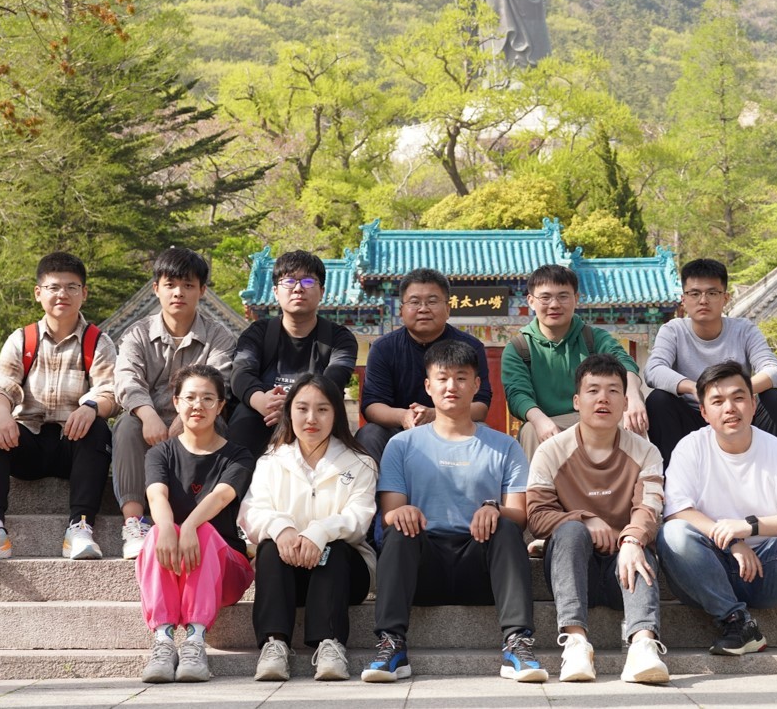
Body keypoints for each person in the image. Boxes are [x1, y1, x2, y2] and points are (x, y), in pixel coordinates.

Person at [362, 340, 547, 684]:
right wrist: (403, 512)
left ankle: (517, 643)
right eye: (443, 378)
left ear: (476, 385)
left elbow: (520, 515)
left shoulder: (505, 446)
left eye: (461, 378)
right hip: (423, 570)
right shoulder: (401, 445)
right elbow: (389, 512)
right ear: (428, 386)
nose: (452, 386)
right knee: (399, 528)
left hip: (481, 569)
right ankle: (391, 644)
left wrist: (494, 509)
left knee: (506, 527)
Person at [657, 361, 777, 685]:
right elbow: (677, 510)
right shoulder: (690, 448)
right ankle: (737, 623)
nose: (730, 408)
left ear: (753, 404)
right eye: (717, 401)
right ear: (704, 412)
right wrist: (732, 541)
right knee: (673, 534)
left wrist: (748, 527)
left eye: (738, 398)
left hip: (766, 571)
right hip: (707, 569)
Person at [0, 252, 116, 562]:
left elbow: (111, 392)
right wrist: (2, 414)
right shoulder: (22, 339)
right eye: (53, 287)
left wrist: (90, 407)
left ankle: (80, 528)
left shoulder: (98, 343)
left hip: (73, 445)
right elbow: (0, 386)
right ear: (38, 293)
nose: (62, 294)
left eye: (72, 287)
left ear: (84, 293)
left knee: (98, 428)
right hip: (26, 443)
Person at [527, 353, 669, 684]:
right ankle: (576, 644)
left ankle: (643, 645)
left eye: (613, 391)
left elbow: (649, 508)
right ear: (577, 401)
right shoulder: (551, 451)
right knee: (571, 531)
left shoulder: (646, 451)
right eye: (593, 390)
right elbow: (537, 515)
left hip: (624, 566)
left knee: (640, 547)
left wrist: (631, 539)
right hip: (574, 568)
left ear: (625, 402)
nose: (603, 398)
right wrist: (585, 519)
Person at [240, 373, 377, 682]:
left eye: (322, 409)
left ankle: (331, 645)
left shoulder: (360, 462)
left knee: (336, 548)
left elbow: (359, 518)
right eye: (302, 408)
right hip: (286, 574)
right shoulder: (271, 461)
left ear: (336, 414)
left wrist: (320, 532)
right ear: (289, 412)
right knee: (269, 547)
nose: (311, 418)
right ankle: (274, 645)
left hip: (344, 575)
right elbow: (253, 512)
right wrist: (283, 529)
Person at [113, 248, 236, 559]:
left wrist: (183, 420)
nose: (178, 292)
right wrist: (149, 416)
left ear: (202, 290)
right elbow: (127, 380)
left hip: (198, 420)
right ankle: (134, 522)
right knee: (126, 426)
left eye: (188, 285)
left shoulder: (219, 337)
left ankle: (202, 517)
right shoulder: (137, 334)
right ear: (156, 288)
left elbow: (220, 381)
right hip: (149, 423)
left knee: (217, 427)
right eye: (170, 284)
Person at [137, 364, 255, 684]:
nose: (197, 405)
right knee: (157, 532)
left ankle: (194, 641)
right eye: (189, 397)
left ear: (220, 406)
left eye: (207, 398)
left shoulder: (238, 456)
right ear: (176, 403)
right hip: (175, 565)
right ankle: (163, 641)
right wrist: (167, 528)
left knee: (203, 529)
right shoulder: (160, 453)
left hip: (226, 571)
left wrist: (189, 526)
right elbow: (157, 496)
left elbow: (220, 497)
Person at [644, 258, 777, 467]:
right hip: (690, 418)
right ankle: (673, 476)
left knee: (775, 399)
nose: (703, 300)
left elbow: (774, 369)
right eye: (695, 293)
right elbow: (654, 369)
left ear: (725, 298)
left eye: (712, 293)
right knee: (658, 400)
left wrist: (734, 393)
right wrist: (697, 389)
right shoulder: (673, 330)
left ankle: (766, 472)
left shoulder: (744, 330)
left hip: (735, 416)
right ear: (683, 299)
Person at [502, 264, 647, 463]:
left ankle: (639, 478)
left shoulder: (593, 338)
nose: (554, 305)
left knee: (631, 413)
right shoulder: (519, 348)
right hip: (548, 421)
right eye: (545, 297)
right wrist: (539, 420)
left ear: (576, 299)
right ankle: (537, 485)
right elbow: (517, 394)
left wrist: (633, 397)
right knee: (530, 430)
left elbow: (624, 362)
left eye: (563, 296)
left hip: (594, 416)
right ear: (531, 301)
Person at [228, 250, 357, 459]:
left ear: (322, 291)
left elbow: (334, 379)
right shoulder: (257, 333)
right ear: (276, 291)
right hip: (264, 413)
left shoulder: (340, 338)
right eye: (288, 281)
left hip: (315, 416)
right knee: (244, 421)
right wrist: (261, 401)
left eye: (308, 281)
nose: (298, 288)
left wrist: (293, 407)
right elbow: (241, 373)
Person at [357, 267, 492, 464]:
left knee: (484, 433)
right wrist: (404, 416)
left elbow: (480, 406)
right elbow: (372, 406)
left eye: (432, 301)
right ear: (401, 310)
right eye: (414, 302)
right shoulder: (383, 348)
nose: (423, 309)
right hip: (399, 431)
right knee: (370, 434)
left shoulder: (470, 347)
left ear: (448, 309)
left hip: (453, 428)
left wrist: (437, 415)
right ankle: (376, 486)